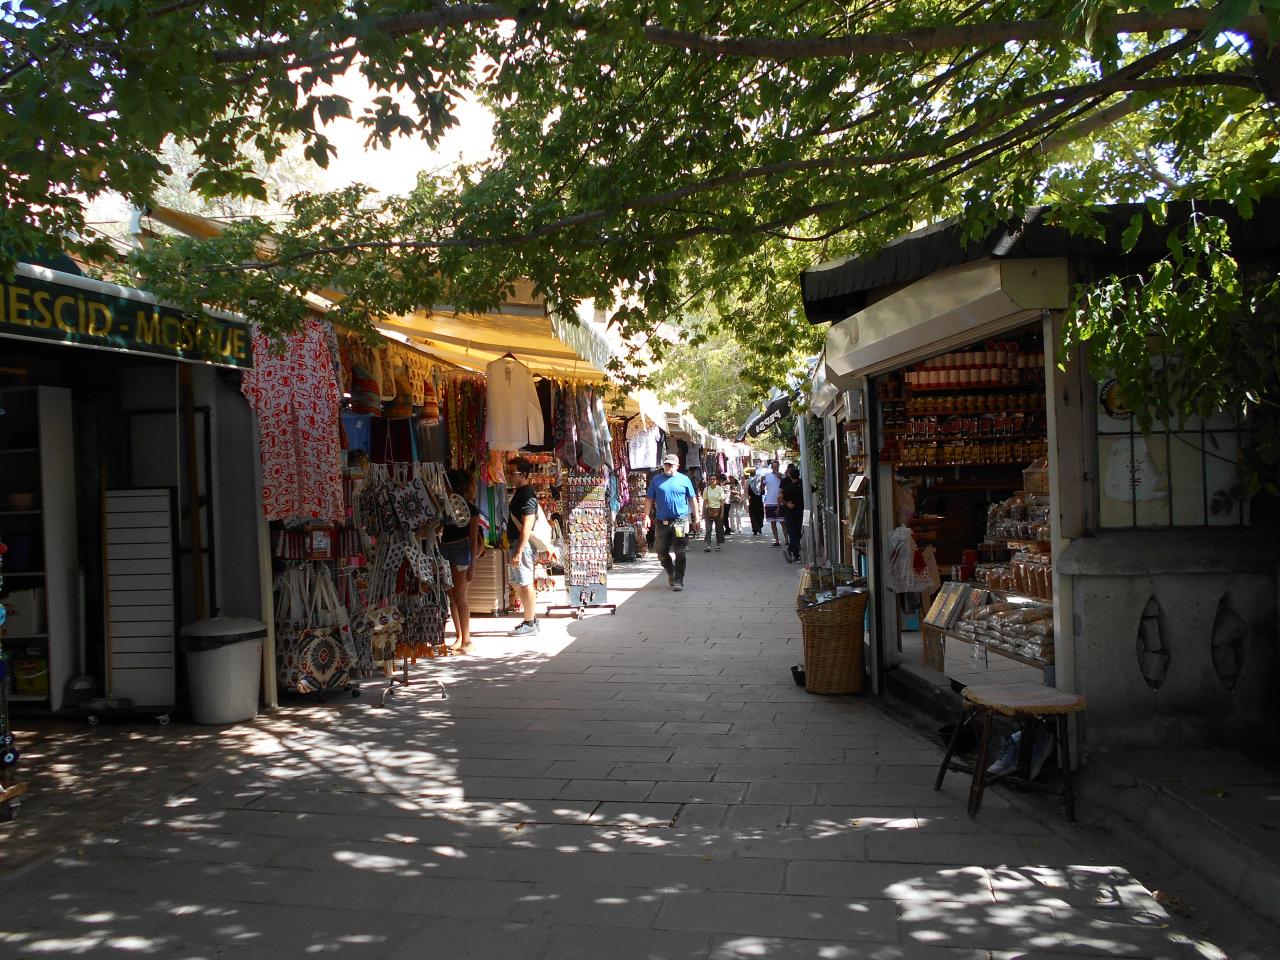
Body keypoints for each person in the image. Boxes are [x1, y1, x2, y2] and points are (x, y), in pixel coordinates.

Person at [644, 453, 701, 590]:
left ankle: (678, 580)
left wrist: (697, 518)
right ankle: (671, 571)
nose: (668, 467)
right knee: (661, 550)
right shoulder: (656, 480)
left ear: (677, 466)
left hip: (680, 521)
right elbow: (649, 499)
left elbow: (692, 499)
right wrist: (646, 516)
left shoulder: (684, 480)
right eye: (666, 464)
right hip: (662, 521)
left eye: (671, 464)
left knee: (680, 550)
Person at [440, 467, 482, 652]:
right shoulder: (446, 506)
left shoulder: (471, 509)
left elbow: (473, 539)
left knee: (460, 597)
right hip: (447, 550)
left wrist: (473, 564)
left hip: (460, 551)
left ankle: (467, 640)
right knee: (452, 598)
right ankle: (460, 637)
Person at [506, 457, 541, 635]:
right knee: (517, 582)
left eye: (513, 472)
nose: (509, 476)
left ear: (524, 474)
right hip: (517, 544)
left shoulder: (527, 494)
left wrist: (519, 550)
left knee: (525, 582)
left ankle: (529, 623)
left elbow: (527, 525)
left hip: (522, 545)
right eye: (508, 472)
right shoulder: (521, 493)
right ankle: (531, 619)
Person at [779, 464, 805, 562]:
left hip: (790, 513)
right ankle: (795, 553)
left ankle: (791, 550)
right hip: (800, 512)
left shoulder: (789, 487)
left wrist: (787, 503)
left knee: (793, 532)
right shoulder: (804, 485)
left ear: (790, 476)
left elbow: (779, 497)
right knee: (797, 533)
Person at [760, 459, 784, 546]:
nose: (775, 469)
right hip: (770, 502)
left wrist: (781, 478)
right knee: (773, 523)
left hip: (780, 502)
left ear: (779, 467)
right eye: (773, 467)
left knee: (783, 522)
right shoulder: (767, 476)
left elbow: (785, 486)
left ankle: (787, 541)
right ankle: (777, 541)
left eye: (776, 467)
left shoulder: (783, 476)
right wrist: (762, 482)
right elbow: (762, 489)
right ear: (771, 467)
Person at [702, 473, 727, 552]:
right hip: (709, 510)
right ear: (709, 480)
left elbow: (722, 501)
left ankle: (718, 545)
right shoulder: (706, 489)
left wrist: (722, 512)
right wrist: (703, 512)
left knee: (718, 528)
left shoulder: (720, 489)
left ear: (716, 480)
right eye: (711, 479)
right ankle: (708, 545)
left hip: (718, 510)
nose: (712, 480)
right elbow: (705, 501)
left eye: (714, 479)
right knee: (708, 529)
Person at [746, 468, 765, 535]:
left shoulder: (748, 481)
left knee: (753, 515)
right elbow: (763, 491)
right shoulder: (759, 481)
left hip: (752, 501)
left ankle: (754, 528)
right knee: (760, 514)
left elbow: (747, 492)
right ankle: (759, 527)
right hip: (759, 500)